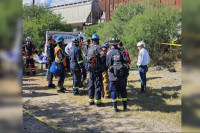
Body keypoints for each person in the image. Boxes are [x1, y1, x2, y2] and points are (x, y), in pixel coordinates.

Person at [106, 36, 129, 112]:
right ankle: (125, 107)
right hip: (122, 76)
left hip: (113, 76)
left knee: (113, 91)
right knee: (123, 91)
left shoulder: (109, 53)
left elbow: (108, 64)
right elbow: (126, 62)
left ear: (111, 44)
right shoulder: (122, 51)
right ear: (118, 43)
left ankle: (115, 107)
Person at [87, 33, 106, 107]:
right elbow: (103, 55)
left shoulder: (89, 48)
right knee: (97, 84)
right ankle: (98, 102)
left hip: (90, 69)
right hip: (97, 70)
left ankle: (90, 101)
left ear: (92, 40)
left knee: (91, 84)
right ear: (98, 40)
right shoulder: (98, 47)